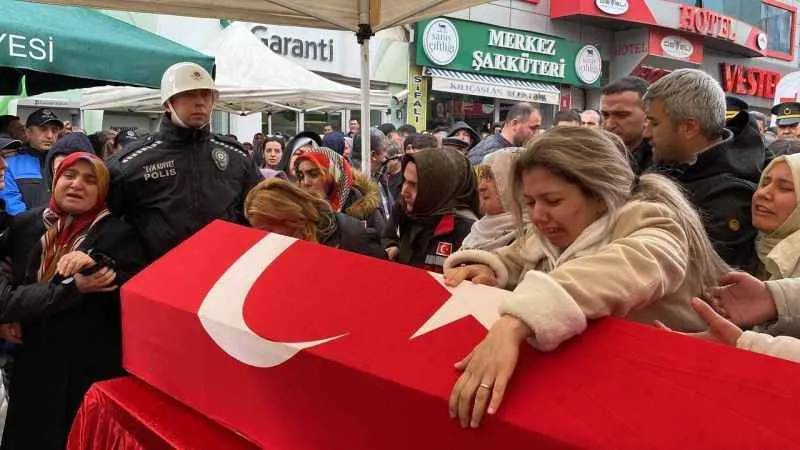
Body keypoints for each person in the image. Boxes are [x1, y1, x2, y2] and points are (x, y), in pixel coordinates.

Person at [442, 126, 728, 428]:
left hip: (653, 410)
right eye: (529, 202)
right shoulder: (548, 233)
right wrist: (488, 267)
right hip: (573, 400)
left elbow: (623, 269)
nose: (537, 215)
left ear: (601, 197)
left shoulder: (654, 224)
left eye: (552, 201)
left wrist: (516, 322)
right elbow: (514, 257)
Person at [0, 152, 146, 450]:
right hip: (33, 360)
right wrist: (8, 315)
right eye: (69, 175)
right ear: (55, 180)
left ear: (103, 190)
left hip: (87, 367)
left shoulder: (118, 233)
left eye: (90, 180)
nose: (77, 184)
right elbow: (9, 276)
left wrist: (92, 261)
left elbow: (125, 280)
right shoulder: (26, 225)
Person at [106, 62, 262, 262]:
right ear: (167, 103)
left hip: (224, 276)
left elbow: (259, 215)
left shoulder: (237, 156)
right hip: (159, 278)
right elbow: (106, 226)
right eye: (189, 94)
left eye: (206, 95)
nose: (200, 102)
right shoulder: (129, 164)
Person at [643, 68, 762, 271]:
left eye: (654, 123)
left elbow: (701, 276)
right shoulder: (666, 165)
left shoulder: (729, 196)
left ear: (689, 127)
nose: (645, 132)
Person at [382, 147, 479, 273]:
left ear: (439, 188)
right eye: (404, 181)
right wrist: (390, 246)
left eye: (414, 185)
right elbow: (386, 237)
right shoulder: (404, 209)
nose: (404, 191)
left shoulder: (468, 231)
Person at [244, 178, 385, 259]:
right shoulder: (281, 250)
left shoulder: (354, 239)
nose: (261, 239)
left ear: (289, 219)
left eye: (266, 231)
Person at [294, 148, 386, 234]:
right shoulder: (297, 211)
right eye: (301, 176)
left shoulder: (363, 206)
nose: (305, 182)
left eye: (313, 174)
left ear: (334, 174)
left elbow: (383, 244)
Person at [0, 108, 64, 216]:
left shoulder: (65, 163)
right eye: (43, 129)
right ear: (28, 132)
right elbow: (12, 205)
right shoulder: (9, 164)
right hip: (25, 229)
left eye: (54, 130)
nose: (50, 135)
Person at [460, 148, 523, 251]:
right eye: (481, 177)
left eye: (491, 177)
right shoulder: (478, 229)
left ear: (517, 183)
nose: (481, 186)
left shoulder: (530, 236)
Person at [600, 76, 651, 174]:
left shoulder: (664, 162)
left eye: (621, 115)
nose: (609, 124)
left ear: (647, 116)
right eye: (605, 115)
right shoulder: (592, 155)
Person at [467, 103, 541, 165]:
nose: (537, 134)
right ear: (514, 124)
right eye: (533, 128)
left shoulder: (509, 150)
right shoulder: (491, 152)